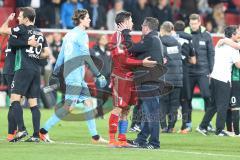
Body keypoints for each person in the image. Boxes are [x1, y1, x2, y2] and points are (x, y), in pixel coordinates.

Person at [39, 9, 108, 144]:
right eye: (87, 18)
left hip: (72, 74)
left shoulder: (69, 34)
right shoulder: (82, 35)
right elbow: (86, 57)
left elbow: (61, 56)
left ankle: (95, 136)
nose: (89, 20)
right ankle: (43, 131)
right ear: (81, 19)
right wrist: (98, 74)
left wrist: (55, 72)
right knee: (69, 107)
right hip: (74, 75)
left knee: (88, 103)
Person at [0, 7, 50, 142]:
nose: (18, 18)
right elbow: (47, 54)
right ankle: (35, 136)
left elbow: (2, 31)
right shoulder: (40, 33)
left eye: (20, 16)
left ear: (27, 19)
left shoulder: (21, 29)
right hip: (36, 70)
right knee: (33, 103)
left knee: (15, 100)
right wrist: (33, 54)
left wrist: (8, 20)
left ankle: (20, 130)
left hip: (23, 68)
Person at [108, 12, 157, 147]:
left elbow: (132, 53)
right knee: (118, 108)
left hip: (129, 76)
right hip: (120, 77)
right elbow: (122, 60)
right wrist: (142, 62)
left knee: (126, 109)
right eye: (130, 21)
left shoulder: (125, 37)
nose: (133, 23)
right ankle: (112, 139)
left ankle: (122, 139)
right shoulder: (117, 37)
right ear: (123, 23)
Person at [126, 17, 164, 149]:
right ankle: (141, 140)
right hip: (150, 81)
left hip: (149, 81)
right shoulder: (154, 40)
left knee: (151, 114)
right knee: (148, 114)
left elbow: (132, 47)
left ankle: (154, 143)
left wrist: (126, 33)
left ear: (147, 27)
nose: (141, 28)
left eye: (142, 26)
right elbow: (137, 54)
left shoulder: (150, 39)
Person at [196, 25, 240, 136]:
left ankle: (202, 126)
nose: (239, 34)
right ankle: (219, 130)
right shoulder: (233, 49)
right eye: (238, 32)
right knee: (223, 106)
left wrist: (226, 40)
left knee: (214, 105)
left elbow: (229, 42)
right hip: (223, 80)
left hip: (214, 77)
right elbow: (238, 65)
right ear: (233, 34)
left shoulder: (220, 42)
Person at [184, 13, 215, 132]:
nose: (193, 26)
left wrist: (211, 70)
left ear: (199, 23)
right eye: (191, 23)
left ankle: (208, 123)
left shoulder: (207, 35)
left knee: (207, 96)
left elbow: (211, 53)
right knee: (187, 98)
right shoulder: (185, 34)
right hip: (188, 71)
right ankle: (188, 123)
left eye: (195, 23)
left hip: (203, 71)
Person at [173, 20, 196, 134]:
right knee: (185, 100)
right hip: (184, 73)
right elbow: (193, 60)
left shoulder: (169, 38)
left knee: (171, 100)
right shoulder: (188, 39)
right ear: (184, 28)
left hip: (171, 73)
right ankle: (185, 126)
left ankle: (169, 126)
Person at [159, 21, 182, 133]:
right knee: (174, 104)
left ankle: (163, 126)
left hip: (164, 78)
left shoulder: (159, 43)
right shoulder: (177, 44)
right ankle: (171, 127)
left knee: (163, 103)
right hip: (177, 78)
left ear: (162, 30)